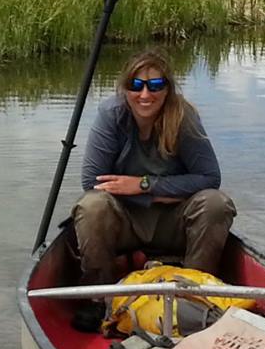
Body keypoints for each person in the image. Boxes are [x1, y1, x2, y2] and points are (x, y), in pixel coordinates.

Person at [72, 50, 236, 296]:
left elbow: (210, 178)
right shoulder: (111, 114)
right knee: (92, 205)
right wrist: (163, 193)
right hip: (124, 223)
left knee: (216, 203)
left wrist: (145, 186)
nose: (145, 95)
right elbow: (92, 181)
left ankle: (194, 294)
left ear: (167, 89)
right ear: (125, 88)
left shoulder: (183, 117)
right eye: (136, 85)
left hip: (173, 223)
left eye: (155, 85)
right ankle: (97, 297)